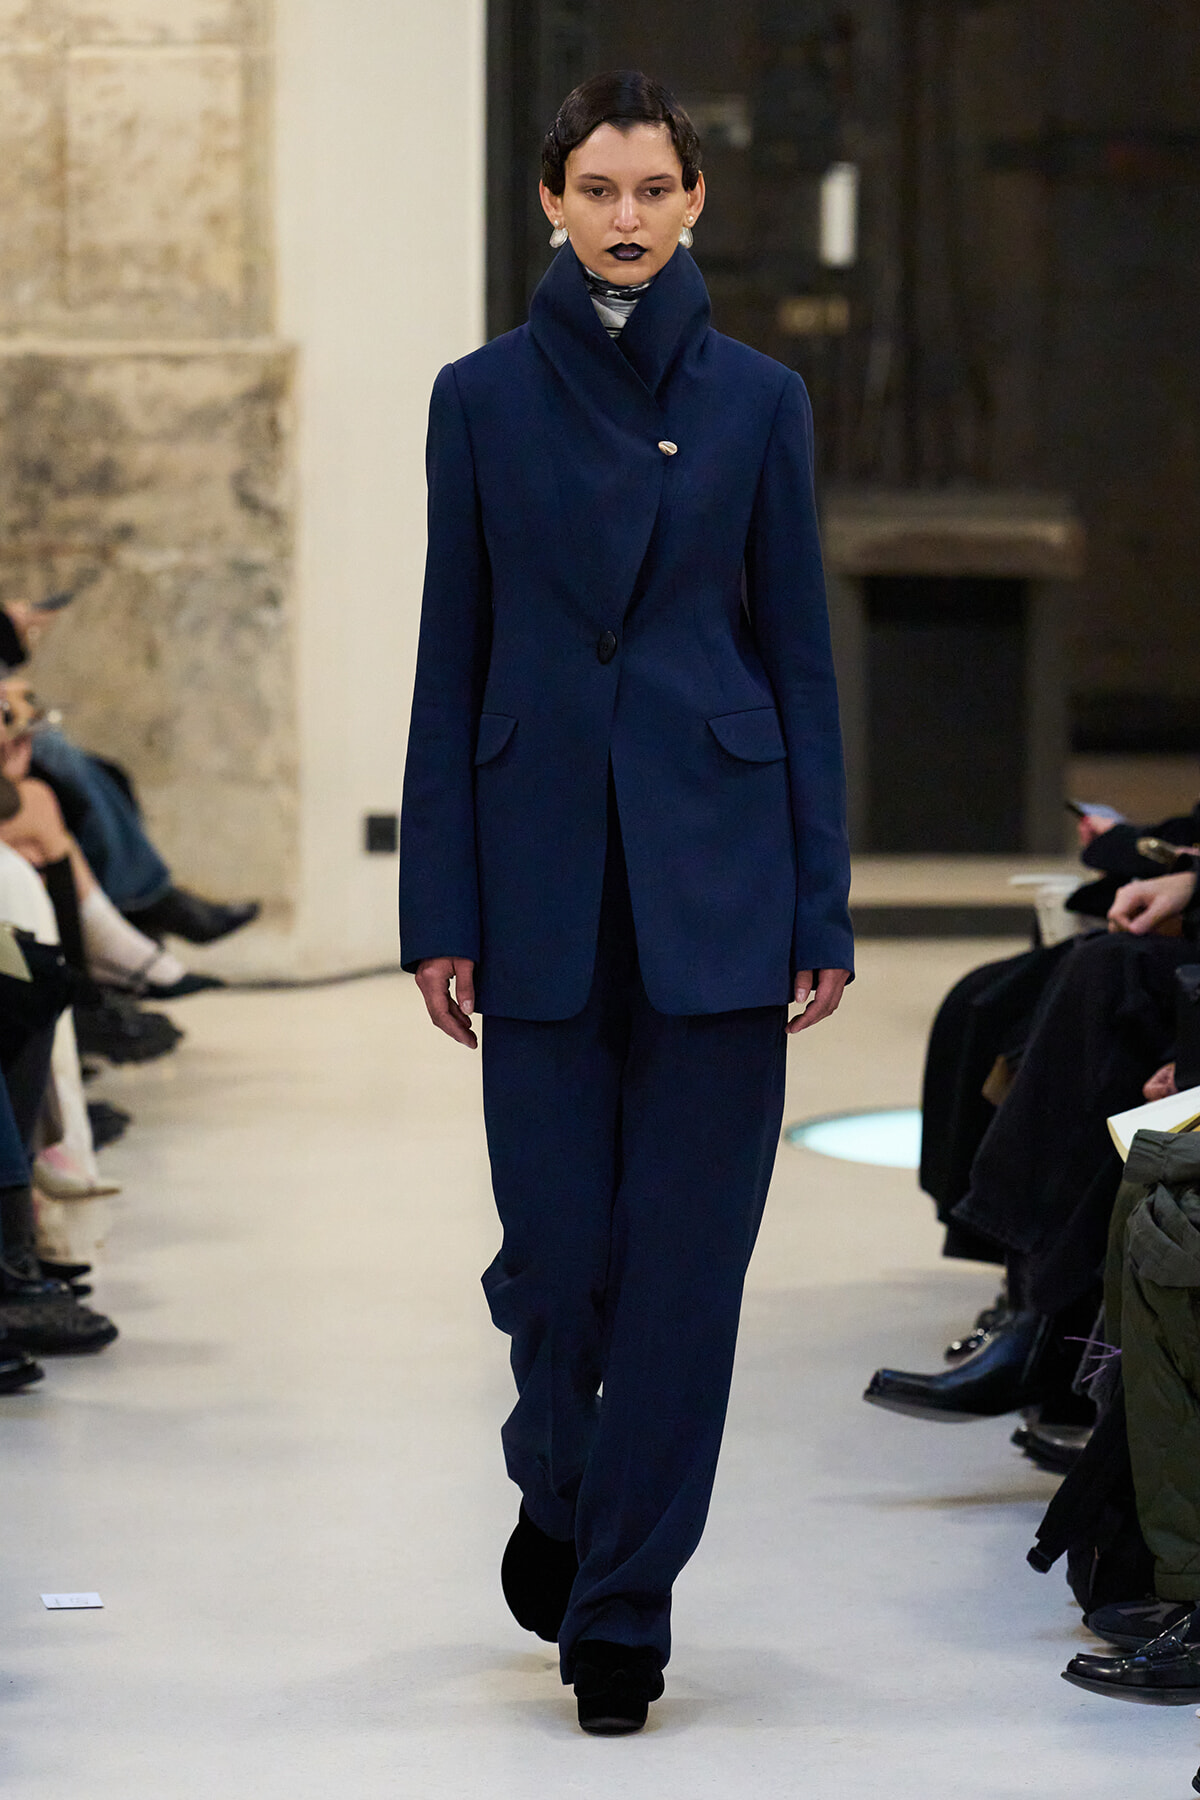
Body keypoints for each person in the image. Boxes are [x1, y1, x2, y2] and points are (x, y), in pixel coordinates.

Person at [399, 71, 852, 1734]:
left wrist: (822, 904)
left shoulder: (757, 401)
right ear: (550, 201)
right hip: (532, 876)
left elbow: (800, 665)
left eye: (655, 188)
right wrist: (435, 902)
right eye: (598, 188)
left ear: (694, 204)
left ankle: (623, 1610)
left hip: (717, 873)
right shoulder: (479, 400)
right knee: (561, 1254)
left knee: (683, 1272)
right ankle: (559, 1470)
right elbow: (453, 654)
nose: (628, 216)